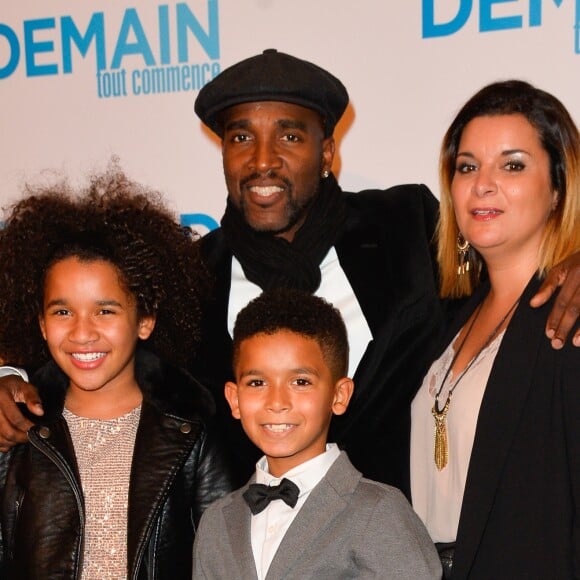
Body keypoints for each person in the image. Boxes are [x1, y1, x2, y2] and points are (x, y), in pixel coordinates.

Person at [0, 50, 579, 493]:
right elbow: (86, 337)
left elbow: (514, 252)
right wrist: (8, 372)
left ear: (328, 152)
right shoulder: (190, 279)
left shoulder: (408, 226)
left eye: (291, 136)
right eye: (241, 137)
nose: (263, 161)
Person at [0, 170, 233, 578]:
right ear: (39, 323)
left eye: (105, 310)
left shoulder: (192, 431)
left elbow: (227, 564)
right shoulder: (16, 430)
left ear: (144, 320)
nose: (82, 332)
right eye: (62, 311)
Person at [410, 80, 580, 579]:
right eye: (467, 166)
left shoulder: (569, 317)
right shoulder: (445, 321)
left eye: (512, 165)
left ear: (558, 189)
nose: (483, 184)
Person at [192, 288, 442, 579]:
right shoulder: (216, 523)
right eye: (257, 382)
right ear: (234, 399)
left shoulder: (379, 512)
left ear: (339, 395)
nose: (277, 402)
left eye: (300, 381)